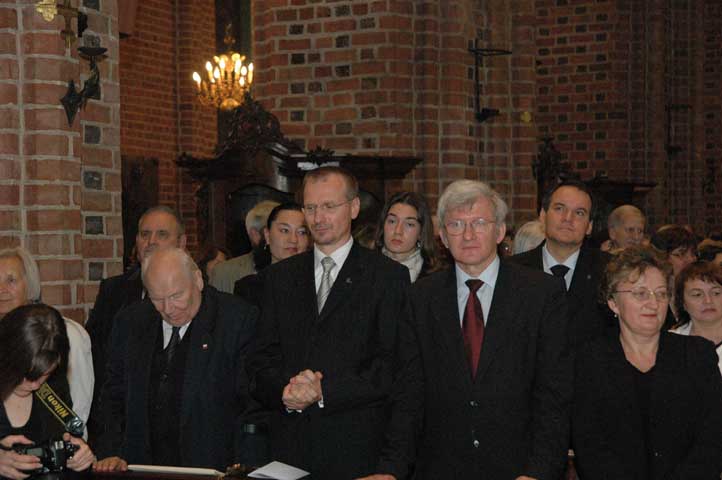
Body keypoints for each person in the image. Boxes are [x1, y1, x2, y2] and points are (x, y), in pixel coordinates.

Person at [248, 166, 422, 480]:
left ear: (354, 208)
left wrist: (323, 391)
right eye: (311, 208)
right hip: (290, 453)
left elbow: (393, 371)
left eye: (329, 206)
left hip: (359, 454)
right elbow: (260, 362)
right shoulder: (279, 278)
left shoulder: (386, 278)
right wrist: (286, 391)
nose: (319, 218)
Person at [409, 179, 572, 480]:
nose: (468, 234)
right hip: (441, 467)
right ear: (442, 236)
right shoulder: (421, 297)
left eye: (479, 223)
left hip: (520, 467)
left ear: (499, 232)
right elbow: (410, 392)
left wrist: (540, 470)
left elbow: (554, 394)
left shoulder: (541, 294)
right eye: (456, 224)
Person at [93, 247, 258, 471]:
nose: (169, 309)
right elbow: (113, 396)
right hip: (141, 466)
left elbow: (250, 405)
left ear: (198, 280)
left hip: (211, 466)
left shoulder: (236, 320)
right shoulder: (130, 322)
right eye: (157, 299)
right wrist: (111, 451)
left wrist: (244, 466)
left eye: (176, 296)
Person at [572, 246, 722, 479]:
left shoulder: (698, 354)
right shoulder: (589, 360)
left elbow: (712, 438)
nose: (653, 303)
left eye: (661, 294)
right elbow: (590, 444)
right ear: (613, 302)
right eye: (640, 293)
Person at [86, 205, 187, 435]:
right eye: (144, 234)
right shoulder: (113, 290)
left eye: (162, 234)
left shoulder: (194, 292)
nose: (151, 242)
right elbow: (96, 353)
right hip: (123, 421)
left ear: (181, 243)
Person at [0, 248, 93, 435]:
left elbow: (76, 413)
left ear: (30, 285)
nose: (1, 289)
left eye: (11, 280)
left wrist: (72, 444)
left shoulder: (64, 334)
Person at [512, 179, 612, 348]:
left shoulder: (610, 270)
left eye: (579, 213)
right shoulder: (513, 270)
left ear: (589, 226)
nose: (568, 218)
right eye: (559, 209)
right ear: (543, 216)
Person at [0, 304, 95, 480]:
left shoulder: (53, 388)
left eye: (44, 374)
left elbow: (70, 447)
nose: (35, 385)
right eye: (26, 375)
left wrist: (80, 457)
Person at [233, 202, 310, 308]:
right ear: (267, 235)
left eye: (301, 232)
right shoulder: (249, 288)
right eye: (284, 230)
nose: (293, 239)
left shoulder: (319, 285)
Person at [210, 200, 280, 293]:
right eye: (283, 231)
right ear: (255, 235)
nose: (292, 239)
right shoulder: (225, 273)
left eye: (298, 231)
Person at [373, 191, 442, 282]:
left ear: (421, 232)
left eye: (409, 224)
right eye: (392, 221)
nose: (398, 231)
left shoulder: (436, 277)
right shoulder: (365, 266)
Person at [671, 261, 722, 373]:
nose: (708, 301)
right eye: (697, 295)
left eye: (716, 293)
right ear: (683, 303)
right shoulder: (669, 344)